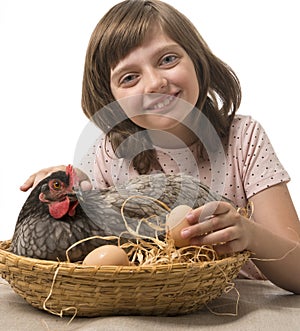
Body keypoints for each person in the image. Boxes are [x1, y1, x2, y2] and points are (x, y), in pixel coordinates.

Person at [20, 0, 300, 293]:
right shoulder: (108, 155)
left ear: (197, 59)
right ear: (111, 99)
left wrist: (250, 235)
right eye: (129, 77)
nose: (155, 83)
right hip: (149, 307)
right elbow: (87, 255)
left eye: (167, 59)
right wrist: (68, 184)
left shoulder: (243, 138)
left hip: (238, 302)